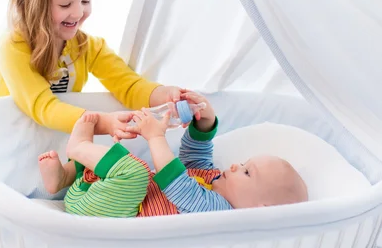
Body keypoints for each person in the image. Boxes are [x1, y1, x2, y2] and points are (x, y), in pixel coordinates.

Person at [0, 0, 186, 139]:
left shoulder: (87, 47)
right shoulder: (13, 47)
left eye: (85, 1)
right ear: (33, 3)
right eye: (65, 4)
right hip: (10, 141)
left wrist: (166, 96)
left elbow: (129, 86)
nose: (77, 13)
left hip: (52, 142)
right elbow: (43, 106)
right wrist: (102, 122)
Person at [38, 92, 308, 217]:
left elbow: (178, 185)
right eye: (244, 163)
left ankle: (78, 148)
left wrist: (155, 137)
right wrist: (205, 122)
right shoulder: (214, 178)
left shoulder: (220, 212)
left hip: (114, 212)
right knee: (111, 170)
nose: (236, 166)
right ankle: (63, 178)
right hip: (101, 195)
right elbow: (196, 156)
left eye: (248, 172)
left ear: (260, 209)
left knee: (136, 172)